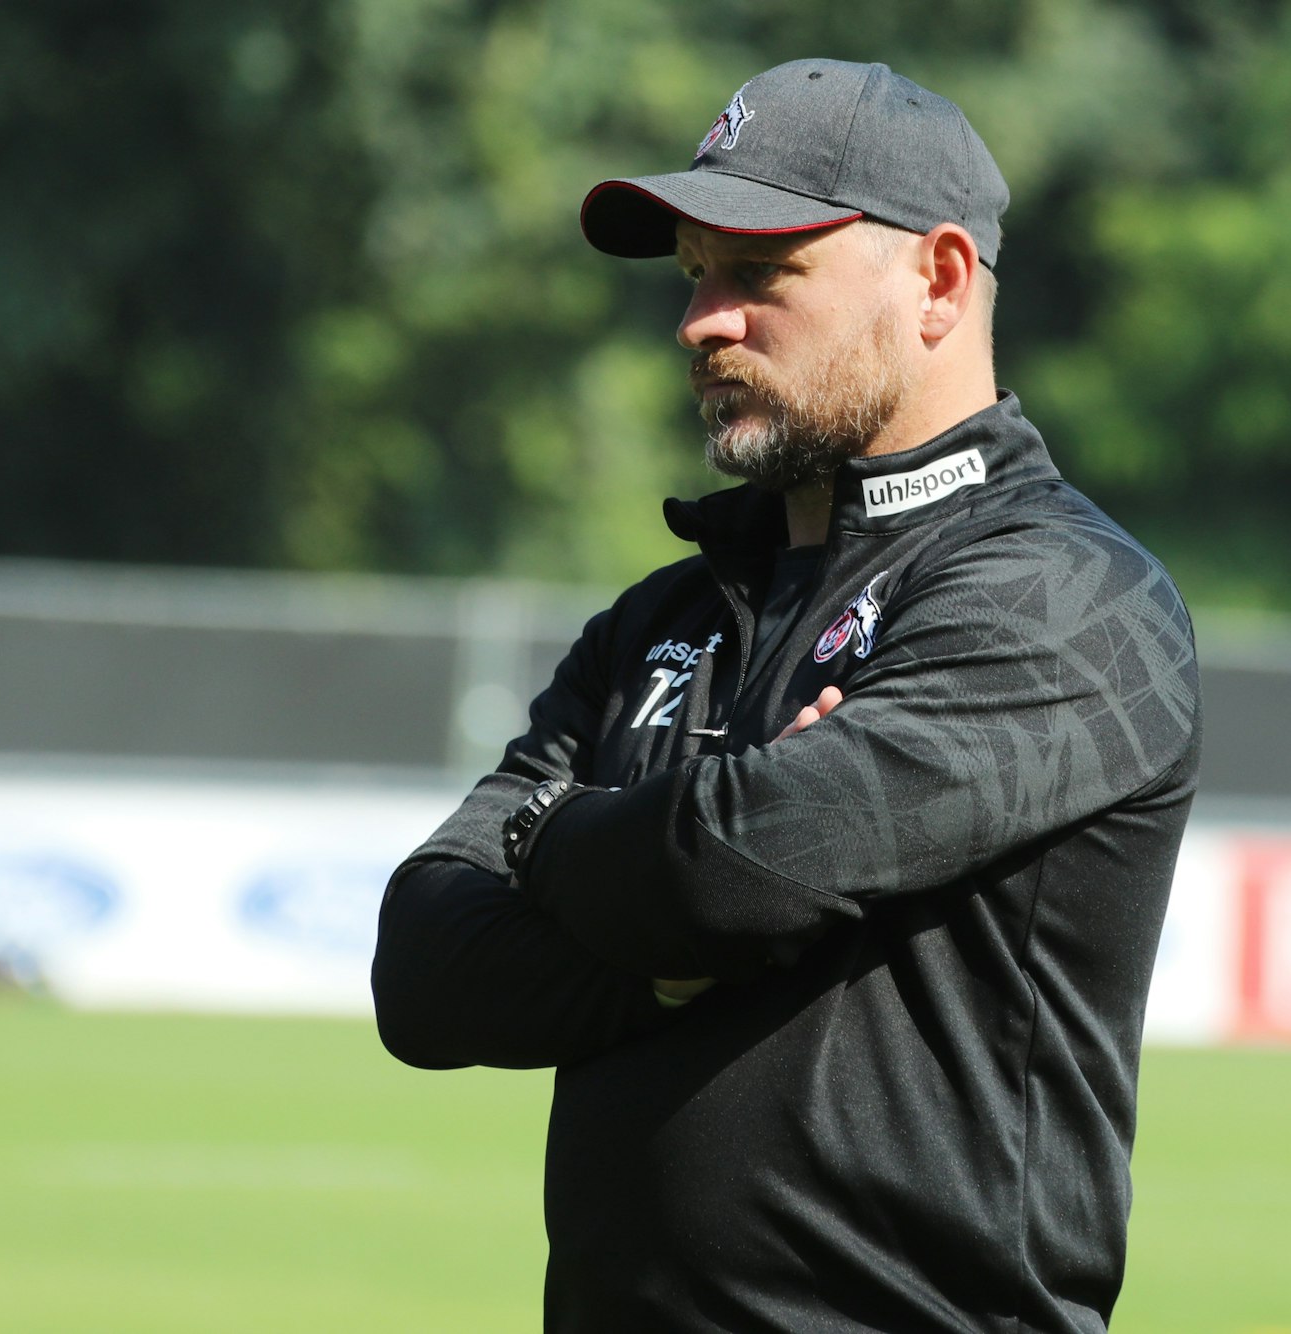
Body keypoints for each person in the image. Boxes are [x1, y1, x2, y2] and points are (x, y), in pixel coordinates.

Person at [372, 57, 1201, 1333]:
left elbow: (731, 873)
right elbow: (425, 970)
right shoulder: (662, 615)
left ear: (936, 280)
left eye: (761, 273)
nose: (702, 319)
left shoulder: (1068, 597)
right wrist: (662, 952)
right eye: (694, 273)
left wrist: (553, 836)